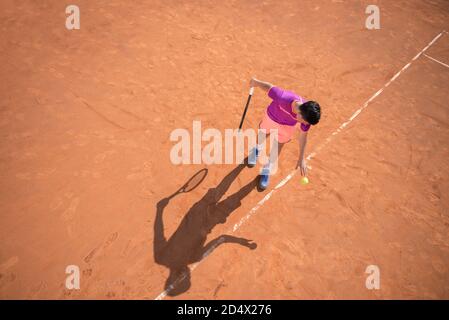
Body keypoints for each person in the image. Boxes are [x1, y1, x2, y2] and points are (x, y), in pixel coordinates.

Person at [248, 77, 321, 190]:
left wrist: (301, 158)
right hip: (272, 117)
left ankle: (266, 170)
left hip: (288, 126)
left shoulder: (306, 118)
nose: (306, 125)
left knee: (278, 145)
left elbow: (303, 136)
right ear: (301, 114)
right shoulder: (283, 97)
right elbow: (269, 87)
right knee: (262, 135)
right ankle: (257, 149)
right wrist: (256, 82)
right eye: (305, 122)